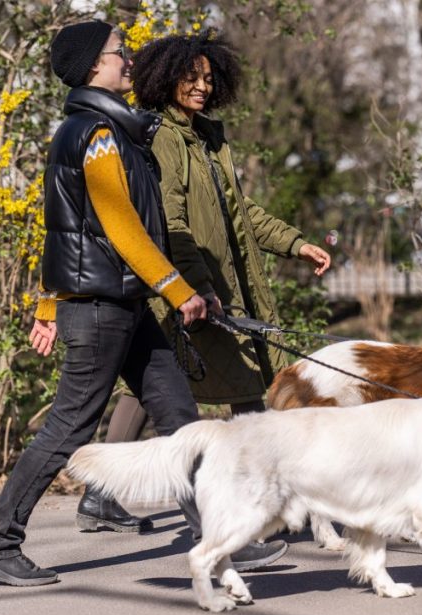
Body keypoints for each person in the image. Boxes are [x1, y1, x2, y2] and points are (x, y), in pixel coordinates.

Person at [0, 21, 283, 587]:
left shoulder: (100, 130)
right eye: (121, 52)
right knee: (69, 426)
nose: (129, 59)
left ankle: (218, 539)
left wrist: (46, 304)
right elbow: (121, 229)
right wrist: (180, 290)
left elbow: (63, 230)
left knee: (179, 419)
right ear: (94, 65)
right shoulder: (97, 135)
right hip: (101, 309)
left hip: (123, 305)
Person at [101, 29, 331, 466]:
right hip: (189, 287)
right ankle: (256, 491)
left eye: (208, 78)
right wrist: (199, 286)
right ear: (166, 78)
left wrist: (296, 244)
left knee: (157, 384)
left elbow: (238, 213)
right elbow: (172, 224)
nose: (202, 86)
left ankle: (101, 494)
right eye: (191, 76)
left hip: (215, 285)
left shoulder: (206, 139)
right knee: (228, 383)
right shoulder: (165, 137)